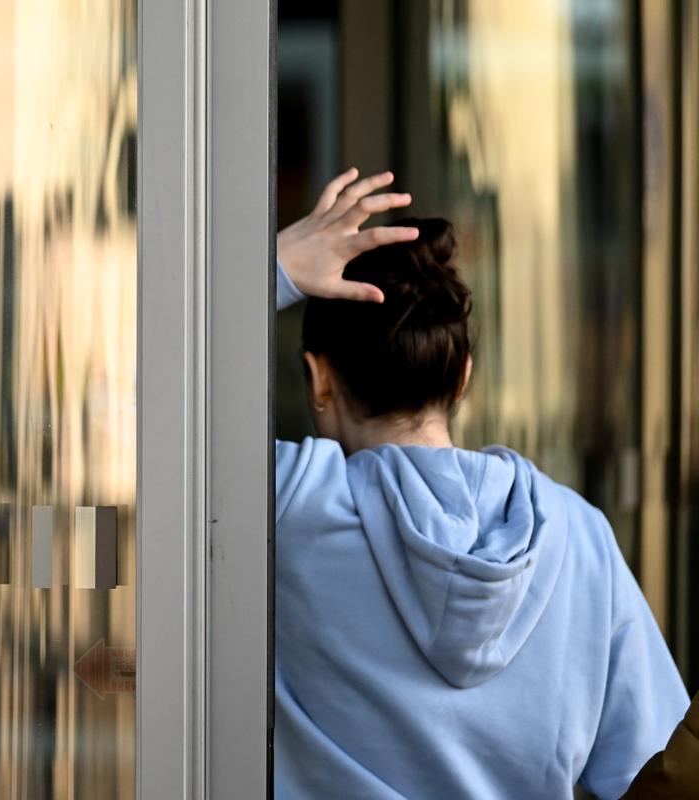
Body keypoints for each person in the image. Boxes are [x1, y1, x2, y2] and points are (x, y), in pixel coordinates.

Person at [272, 168, 688, 799]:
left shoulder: (285, 507)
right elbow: (654, 762)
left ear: (318, 378)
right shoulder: (579, 535)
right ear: (462, 377)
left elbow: (142, 421)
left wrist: (273, 269)